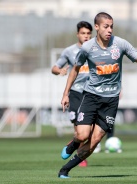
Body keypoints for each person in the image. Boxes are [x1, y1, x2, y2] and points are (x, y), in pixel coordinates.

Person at [58, 12, 137, 178]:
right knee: (82, 135)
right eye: (106, 26)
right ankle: (73, 144)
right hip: (90, 96)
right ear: (96, 27)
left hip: (111, 101)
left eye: (111, 26)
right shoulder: (88, 47)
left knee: (95, 140)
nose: (109, 30)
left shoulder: (120, 44)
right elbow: (75, 69)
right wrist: (65, 94)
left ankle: (65, 169)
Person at [51, 21, 93, 167]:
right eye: (83, 33)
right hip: (75, 92)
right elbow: (54, 68)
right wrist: (60, 71)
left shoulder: (96, 49)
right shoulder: (69, 51)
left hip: (91, 92)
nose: (86, 36)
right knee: (78, 125)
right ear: (77, 34)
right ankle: (80, 156)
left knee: (90, 128)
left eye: (88, 33)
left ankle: (75, 144)